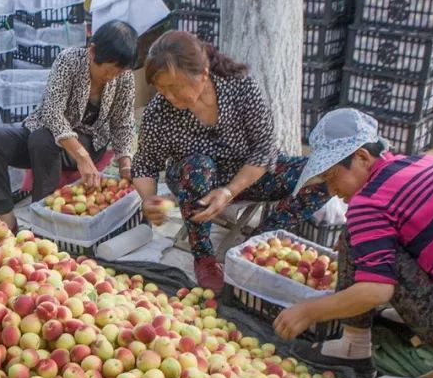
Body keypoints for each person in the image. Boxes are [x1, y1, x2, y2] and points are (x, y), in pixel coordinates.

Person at [132, 30, 331, 292]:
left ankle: (258, 243)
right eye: (160, 87)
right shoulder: (160, 111)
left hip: (246, 175)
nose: (167, 95)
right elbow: (145, 163)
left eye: (174, 86)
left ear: (203, 74)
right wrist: (149, 199)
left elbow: (264, 149)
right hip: (194, 179)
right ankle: (204, 258)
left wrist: (228, 191)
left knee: (323, 173)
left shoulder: (240, 87)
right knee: (198, 167)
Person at [274, 108, 433, 375]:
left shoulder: (368, 201)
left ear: (362, 157)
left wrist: (307, 311)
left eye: (331, 176)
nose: (332, 190)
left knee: (355, 239)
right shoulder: (424, 163)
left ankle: (353, 346)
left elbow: (376, 292)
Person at [0, 20, 138, 227]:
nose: (112, 77)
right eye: (108, 70)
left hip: (88, 141)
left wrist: (126, 164)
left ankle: (43, 219)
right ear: (92, 52)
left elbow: (123, 124)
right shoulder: (69, 61)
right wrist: (81, 156)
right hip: (51, 136)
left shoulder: (124, 78)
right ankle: (4, 216)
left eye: (118, 72)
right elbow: (51, 111)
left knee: (43, 140)